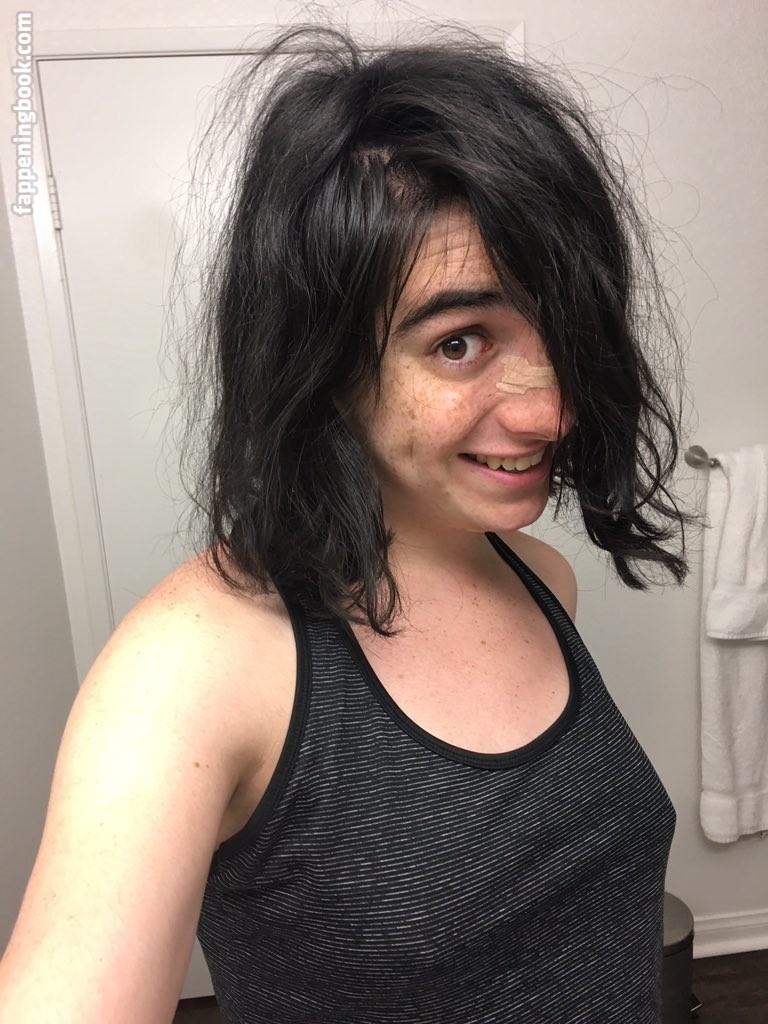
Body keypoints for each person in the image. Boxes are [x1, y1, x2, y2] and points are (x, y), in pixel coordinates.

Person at [0, 17, 704, 1024]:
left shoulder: (542, 577)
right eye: (460, 342)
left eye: (563, 327)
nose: (552, 411)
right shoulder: (190, 672)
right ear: (321, 360)